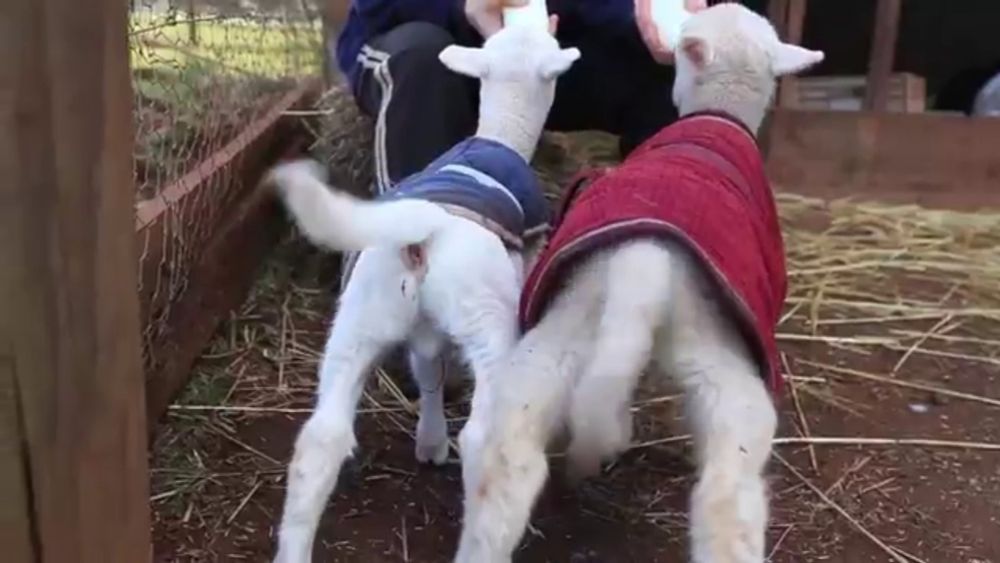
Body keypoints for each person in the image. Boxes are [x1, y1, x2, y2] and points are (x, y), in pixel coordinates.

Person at [335, 0, 707, 194]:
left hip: (542, 48)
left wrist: (651, 17)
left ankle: (651, 244)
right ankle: (409, 261)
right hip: (433, 44)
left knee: (673, 70)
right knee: (422, 60)